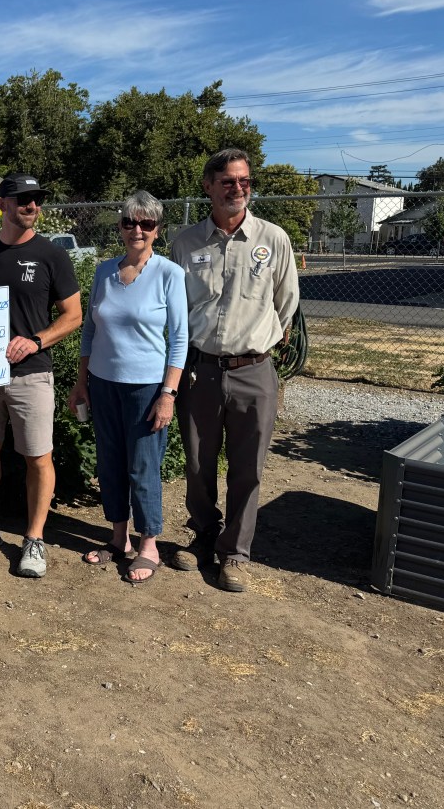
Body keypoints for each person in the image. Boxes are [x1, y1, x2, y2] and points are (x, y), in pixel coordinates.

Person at [169, 149, 299, 592]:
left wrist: (261, 342)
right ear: (208, 186)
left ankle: (236, 553)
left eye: (244, 181)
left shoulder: (273, 239)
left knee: (248, 466)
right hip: (200, 370)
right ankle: (203, 536)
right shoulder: (186, 243)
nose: (238, 189)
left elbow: (286, 303)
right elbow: (177, 308)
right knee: (198, 462)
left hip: (254, 371)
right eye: (228, 181)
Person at [0, 173, 82, 578]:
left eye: (37, 199)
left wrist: (36, 341)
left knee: (38, 457)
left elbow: (73, 316)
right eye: (23, 199)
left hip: (32, 374)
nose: (32, 206)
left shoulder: (52, 255)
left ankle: (34, 538)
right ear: (1, 205)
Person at [69, 191, 188, 584]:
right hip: (103, 384)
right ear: (120, 227)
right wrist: (82, 381)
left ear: (157, 230)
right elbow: (90, 330)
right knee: (110, 462)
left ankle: (148, 544)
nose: (137, 230)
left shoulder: (169, 273)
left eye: (146, 223)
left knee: (143, 466)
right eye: (129, 222)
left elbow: (179, 339)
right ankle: (118, 537)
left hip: (146, 389)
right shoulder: (104, 271)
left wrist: (168, 394)